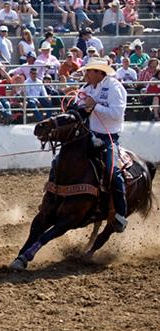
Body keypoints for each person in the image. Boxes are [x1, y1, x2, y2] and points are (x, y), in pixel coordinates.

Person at [76, 58, 128, 232]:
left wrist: (94, 106)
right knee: (62, 159)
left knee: (112, 172)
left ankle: (121, 212)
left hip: (109, 137)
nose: (86, 74)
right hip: (89, 134)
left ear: (99, 73)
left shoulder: (115, 88)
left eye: (89, 71)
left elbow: (116, 114)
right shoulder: (87, 88)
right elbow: (80, 105)